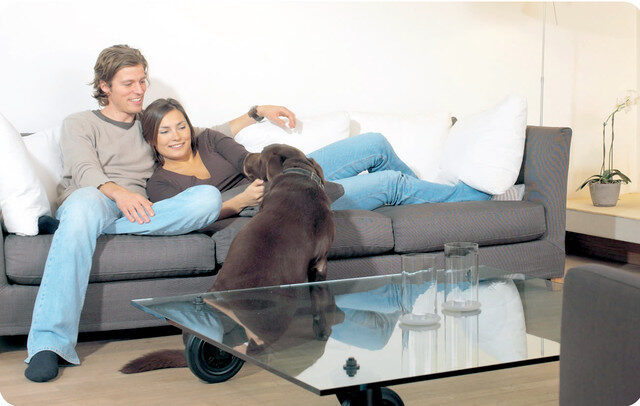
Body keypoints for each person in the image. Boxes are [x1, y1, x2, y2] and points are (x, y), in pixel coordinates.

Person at [24, 44, 295, 383]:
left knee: (207, 199)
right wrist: (119, 192)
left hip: (143, 211)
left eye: (142, 81)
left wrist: (256, 112)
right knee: (82, 211)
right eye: (128, 83)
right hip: (94, 198)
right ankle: (49, 344)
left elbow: (204, 134)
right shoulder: (80, 122)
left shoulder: (149, 124)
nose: (139, 90)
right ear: (105, 86)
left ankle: (76, 228)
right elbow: (83, 168)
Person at [143, 98, 490, 212]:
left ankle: (428, 202)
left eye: (181, 126)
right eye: (165, 131)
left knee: (374, 143)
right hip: (273, 204)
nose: (177, 136)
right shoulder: (160, 185)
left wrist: (278, 165)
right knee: (391, 183)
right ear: (151, 138)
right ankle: (472, 200)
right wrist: (240, 201)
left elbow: (247, 160)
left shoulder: (208, 139)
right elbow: (190, 218)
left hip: (282, 176)